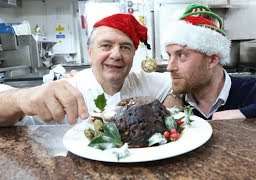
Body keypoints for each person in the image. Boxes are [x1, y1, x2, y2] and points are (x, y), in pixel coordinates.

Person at [0, 14, 180, 126]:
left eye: (125, 48)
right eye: (106, 45)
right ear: (90, 52)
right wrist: (21, 98)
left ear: (133, 55)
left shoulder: (146, 81)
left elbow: (180, 82)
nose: (116, 55)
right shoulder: (69, 88)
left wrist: (173, 101)